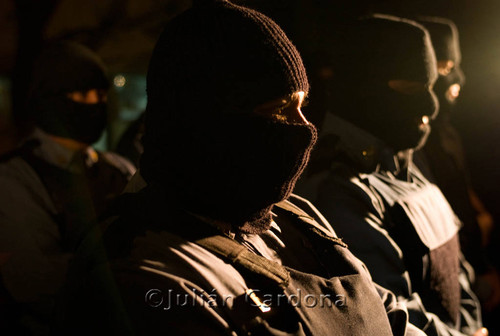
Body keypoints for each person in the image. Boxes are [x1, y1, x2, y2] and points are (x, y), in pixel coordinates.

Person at [55, 2, 426, 335]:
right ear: (208, 123)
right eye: (278, 110)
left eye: (301, 106)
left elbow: (384, 311)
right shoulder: (141, 274)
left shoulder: (293, 214)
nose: (304, 131)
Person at [295, 14, 485, 336]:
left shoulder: (409, 166)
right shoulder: (339, 189)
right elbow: (390, 312)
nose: (431, 105)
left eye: (429, 86)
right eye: (411, 88)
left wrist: (473, 325)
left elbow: (455, 270)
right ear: (365, 90)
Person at [0, 41, 135, 334]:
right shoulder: (15, 178)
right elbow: (33, 281)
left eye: (100, 95)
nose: (94, 104)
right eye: (81, 94)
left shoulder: (119, 168)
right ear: (48, 98)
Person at [412, 17, 500, 315]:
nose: (457, 81)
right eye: (446, 68)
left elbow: (460, 189)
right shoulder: (414, 142)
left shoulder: (449, 133)